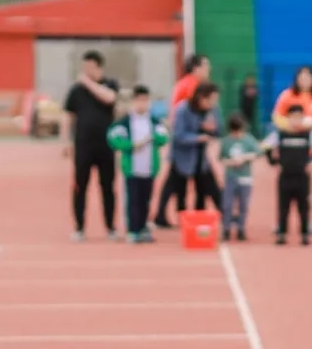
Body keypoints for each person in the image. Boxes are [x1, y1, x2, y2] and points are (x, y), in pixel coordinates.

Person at [62, 49, 120, 242]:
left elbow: (109, 98)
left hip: (106, 145)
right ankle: (79, 227)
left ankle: (110, 227)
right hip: (83, 145)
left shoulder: (109, 84)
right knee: (80, 186)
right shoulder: (76, 91)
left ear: (99, 67)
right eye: (84, 67)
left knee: (108, 187)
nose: (86, 71)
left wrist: (88, 83)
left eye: (90, 67)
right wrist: (65, 142)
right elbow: (67, 115)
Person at [153, 54, 211, 229]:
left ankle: (172, 214)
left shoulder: (185, 84)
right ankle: (173, 215)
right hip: (186, 140)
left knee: (177, 181)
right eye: (206, 66)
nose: (209, 70)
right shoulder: (191, 87)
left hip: (187, 139)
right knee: (178, 180)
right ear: (195, 68)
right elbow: (187, 114)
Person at [106, 84, 169, 243]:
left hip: (149, 168)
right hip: (133, 169)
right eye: (139, 100)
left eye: (145, 101)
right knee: (133, 200)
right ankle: (133, 229)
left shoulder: (153, 122)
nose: (142, 104)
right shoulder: (125, 122)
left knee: (146, 199)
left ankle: (142, 227)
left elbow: (164, 137)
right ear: (134, 101)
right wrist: (130, 146)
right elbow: (113, 138)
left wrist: (155, 138)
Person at [263, 103, 312, 245]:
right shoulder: (280, 134)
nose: (296, 120)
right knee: (283, 206)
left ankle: (304, 234)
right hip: (285, 175)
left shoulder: (309, 134)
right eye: (293, 117)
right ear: (288, 118)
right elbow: (266, 146)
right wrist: (273, 161)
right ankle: (282, 234)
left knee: (304, 206)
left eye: (299, 117)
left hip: (302, 176)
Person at [170, 83, 223, 214]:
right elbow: (178, 135)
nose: (213, 103)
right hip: (182, 156)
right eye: (210, 100)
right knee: (177, 190)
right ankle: (181, 219)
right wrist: (197, 138)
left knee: (205, 188)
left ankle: (202, 218)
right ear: (201, 97)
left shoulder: (213, 110)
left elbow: (219, 130)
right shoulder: (183, 109)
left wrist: (212, 129)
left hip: (201, 157)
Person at [220, 113, 261, 242]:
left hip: (245, 177)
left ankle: (241, 229)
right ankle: (226, 229)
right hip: (231, 176)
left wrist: (245, 158)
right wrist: (231, 162)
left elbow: (258, 153)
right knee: (227, 204)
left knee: (243, 204)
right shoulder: (226, 141)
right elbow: (222, 158)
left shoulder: (248, 140)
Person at [271, 65, 312, 134]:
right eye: (302, 78)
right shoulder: (286, 95)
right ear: (296, 79)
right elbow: (277, 117)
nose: (305, 81)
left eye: (307, 78)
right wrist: (291, 125)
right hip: (287, 133)